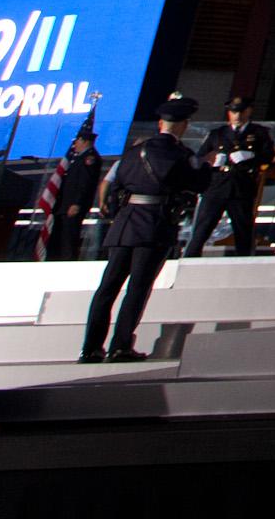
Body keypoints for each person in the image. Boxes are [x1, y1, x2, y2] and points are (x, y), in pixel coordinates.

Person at [79, 94, 200, 364]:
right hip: (154, 224)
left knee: (107, 288)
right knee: (137, 288)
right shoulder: (180, 154)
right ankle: (120, 346)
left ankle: (90, 348)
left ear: (160, 123)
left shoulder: (133, 153)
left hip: (125, 224)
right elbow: (197, 183)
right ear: (183, 125)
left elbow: (115, 185)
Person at [185, 94, 275, 257]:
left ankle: (244, 260)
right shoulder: (217, 134)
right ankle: (190, 258)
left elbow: (269, 156)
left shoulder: (259, 132)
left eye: (241, 112)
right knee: (203, 226)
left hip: (241, 186)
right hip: (217, 185)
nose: (237, 116)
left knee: (243, 229)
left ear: (248, 111)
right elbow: (200, 158)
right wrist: (212, 160)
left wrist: (251, 156)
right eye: (234, 112)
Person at [40, 121, 103, 261]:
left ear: (84, 141)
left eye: (77, 141)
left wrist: (77, 203)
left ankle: (67, 263)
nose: (75, 145)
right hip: (64, 205)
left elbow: (84, 184)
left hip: (72, 206)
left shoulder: (89, 159)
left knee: (68, 240)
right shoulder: (79, 159)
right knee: (59, 239)